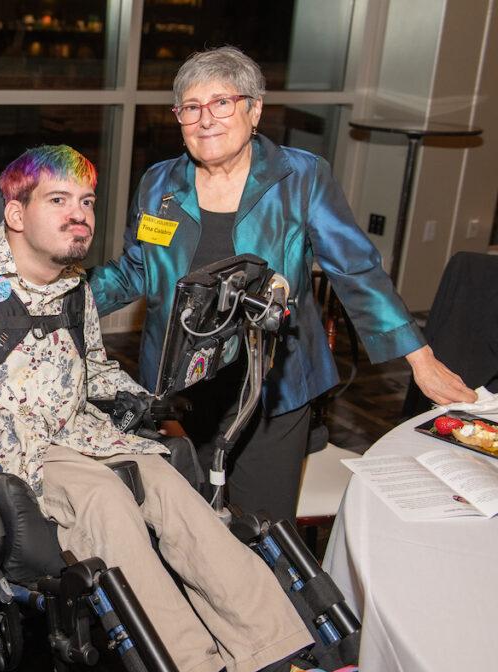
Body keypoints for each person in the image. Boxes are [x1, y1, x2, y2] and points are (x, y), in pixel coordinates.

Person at [0, 145, 312, 672]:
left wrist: (142, 398)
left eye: (86, 201)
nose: (79, 213)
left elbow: (92, 371)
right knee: (106, 500)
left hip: (83, 432)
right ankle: (191, 669)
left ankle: (277, 652)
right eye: (58, 199)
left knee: (175, 492)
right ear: (16, 214)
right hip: (14, 450)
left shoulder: (75, 287)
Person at [88, 46, 476, 523]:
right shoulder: (159, 184)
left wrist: (421, 359)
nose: (205, 119)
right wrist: (55, 296)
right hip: (180, 388)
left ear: (254, 110)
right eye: (191, 108)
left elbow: (356, 269)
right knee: (180, 526)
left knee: (262, 529)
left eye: (222, 103)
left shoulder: (300, 177)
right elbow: (135, 270)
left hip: (272, 387)